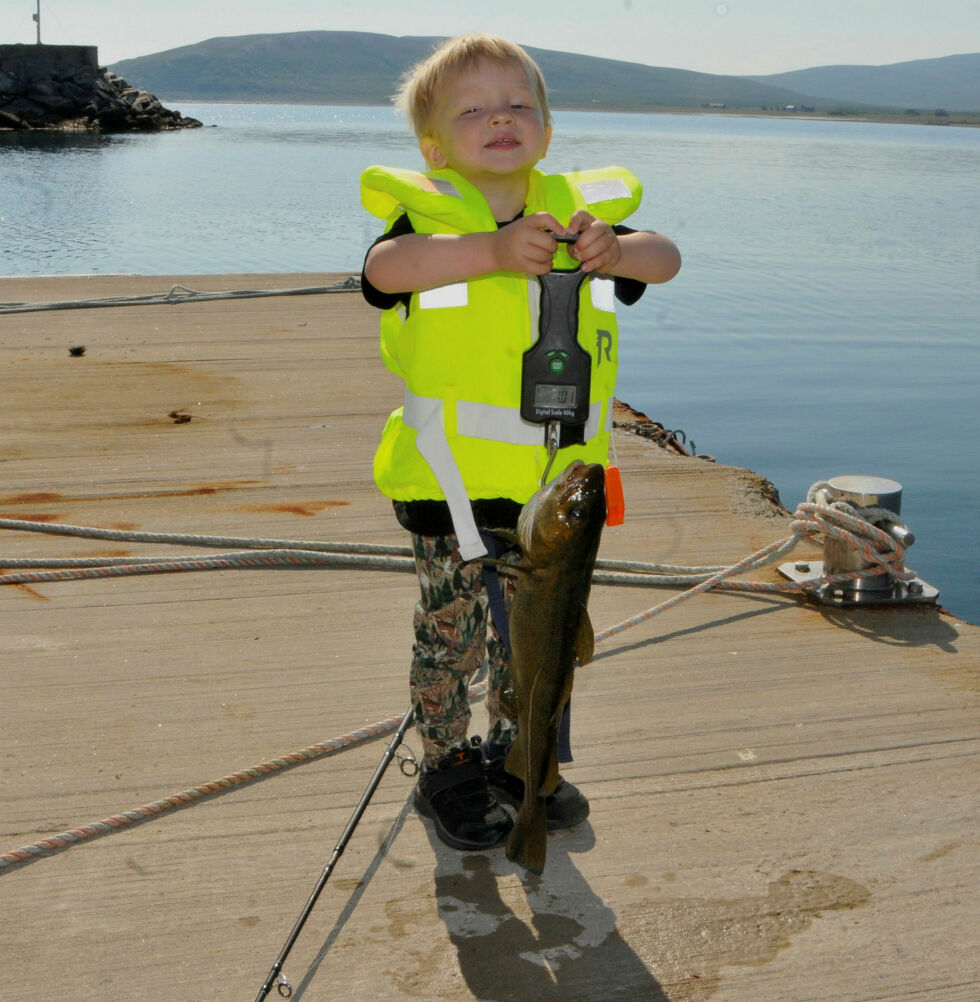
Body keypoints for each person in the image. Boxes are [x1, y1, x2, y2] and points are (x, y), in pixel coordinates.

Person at [359, 33, 680, 852]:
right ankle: (446, 766)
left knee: (541, 643)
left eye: (518, 105)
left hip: (558, 492)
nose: (499, 118)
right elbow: (386, 271)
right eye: (472, 109)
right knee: (452, 639)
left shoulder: (581, 217)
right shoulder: (425, 217)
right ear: (434, 144)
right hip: (454, 491)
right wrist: (496, 252)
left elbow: (666, 260)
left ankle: (522, 759)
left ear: (545, 127)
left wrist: (619, 249)